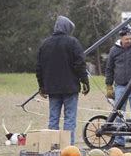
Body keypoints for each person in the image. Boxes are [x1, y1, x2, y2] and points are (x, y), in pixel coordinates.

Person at [36, 15, 90, 145]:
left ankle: (53, 145)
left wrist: (41, 86)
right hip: (70, 87)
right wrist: (85, 81)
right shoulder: (72, 42)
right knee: (69, 118)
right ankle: (68, 147)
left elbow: (39, 67)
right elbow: (79, 64)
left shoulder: (45, 44)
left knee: (53, 118)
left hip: (52, 88)